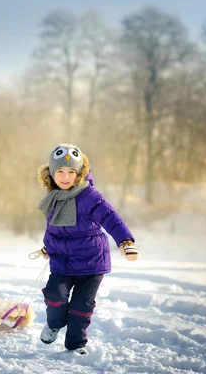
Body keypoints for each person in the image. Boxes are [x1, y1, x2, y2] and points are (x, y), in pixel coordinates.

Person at [33, 143, 138, 355]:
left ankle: (75, 345)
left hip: (91, 262)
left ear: (79, 173)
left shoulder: (89, 196)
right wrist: (47, 247)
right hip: (63, 261)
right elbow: (54, 230)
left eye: (71, 172)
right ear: (51, 174)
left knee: (81, 307)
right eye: (59, 172)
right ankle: (55, 323)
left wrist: (125, 242)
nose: (65, 177)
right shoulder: (53, 198)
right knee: (54, 295)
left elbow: (111, 218)